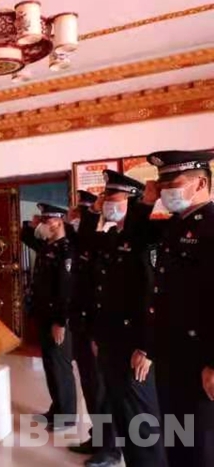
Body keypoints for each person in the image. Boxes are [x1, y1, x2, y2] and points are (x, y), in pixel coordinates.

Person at [130, 150, 214, 466]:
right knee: (178, 439)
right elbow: (134, 240)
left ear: (201, 183)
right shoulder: (175, 225)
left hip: (200, 358)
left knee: (200, 447)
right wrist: (146, 201)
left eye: (172, 184)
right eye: (160, 185)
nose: (165, 191)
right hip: (171, 353)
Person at [85, 170, 166, 466]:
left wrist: (147, 347)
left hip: (135, 345)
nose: (106, 201)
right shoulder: (114, 238)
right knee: (122, 414)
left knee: (141, 421)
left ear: (132, 201)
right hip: (113, 341)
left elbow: (153, 297)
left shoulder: (149, 238)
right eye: (105, 196)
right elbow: (87, 250)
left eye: (112, 196)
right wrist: (98, 335)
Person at [68, 190, 122, 467]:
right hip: (83, 324)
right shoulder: (87, 243)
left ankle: (110, 448)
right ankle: (98, 437)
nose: (75, 217)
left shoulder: (109, 241)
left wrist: (93, 214)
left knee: (102, 391)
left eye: (83, 212)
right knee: (90, 387)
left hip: (98, 328)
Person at [21, 203, 77, 431]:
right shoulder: (47, 246)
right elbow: (26, 236)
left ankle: (67, 415)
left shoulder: (67, 249)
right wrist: (30, 223)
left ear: (59, 221)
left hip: (57, 320)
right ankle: (57, 409)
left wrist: (60, 322)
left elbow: (66, 290)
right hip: (44, 315)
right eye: (42, 220)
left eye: (47, 220)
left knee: (60, 367)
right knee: (50, 365)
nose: (43, 224)